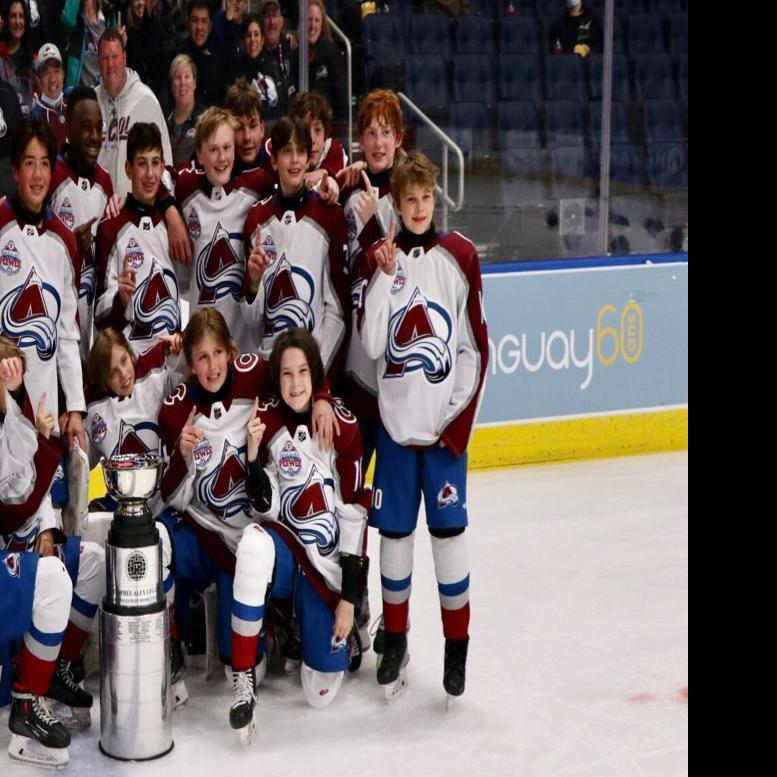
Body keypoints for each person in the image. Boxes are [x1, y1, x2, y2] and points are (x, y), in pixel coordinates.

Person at [156, 308, 338, 711]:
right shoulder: (177, 406)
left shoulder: (255, 371)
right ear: (190, 362)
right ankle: (167, 647)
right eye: (201, 357)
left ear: (231, 350)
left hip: (251, 536)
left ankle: (279, 622)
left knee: (240, 665)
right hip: (203, 530)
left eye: (218, 353)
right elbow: (167, 494)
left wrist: (322, 396)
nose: (212, 365)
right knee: (155, 545)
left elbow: (298, 365)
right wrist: (181, 458)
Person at [358, 151, 489, 701]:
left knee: (449, 543)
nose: (417, 208)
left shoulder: (459, 256)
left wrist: (453, 426)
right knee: (393, 542)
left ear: (436, 198)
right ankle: (395, 640)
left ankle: (456, 650)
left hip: (442, 439)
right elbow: (370, 346)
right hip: (394, 433)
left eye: (425, 198)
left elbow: (475, 350)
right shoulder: (381, 260)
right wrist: (385, 278)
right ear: (396, 203)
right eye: (408, 199)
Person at [229, 329, 369, 741]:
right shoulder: (268, 418)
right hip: (289, 551)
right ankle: (242, 683)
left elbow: (355, 516)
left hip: (327, 568)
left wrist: (349, 599)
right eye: (286, 373)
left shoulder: (342, 427)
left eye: (304, 372)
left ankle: (318, 625)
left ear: (316, 375)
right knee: (254, 542)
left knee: (320, 691)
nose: (295, 383)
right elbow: (264, 506)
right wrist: (253, 460)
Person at [0, 336, 106, 740]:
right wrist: (41, 442)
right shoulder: (20, 422)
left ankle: (56, 666)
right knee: (52, 578)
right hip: (9, 550)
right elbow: (11, 494)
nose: (11, 375)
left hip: (30, 541)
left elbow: (35, 491)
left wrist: (47, 526)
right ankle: (28, 696)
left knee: (93, 561)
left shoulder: (24, 411)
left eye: (14, 366)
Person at [85, 326, 189, 706]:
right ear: (102, 379)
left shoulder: (156, 383)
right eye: (112, 371)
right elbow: (85, 462)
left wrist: (178, 352)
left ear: (133, 355)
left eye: (125, 362)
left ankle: (171, 643)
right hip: (124, 518)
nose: (123, 374)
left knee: (160, 551)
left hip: (164, 508)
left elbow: (185, 377)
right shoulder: (98, 416)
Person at [0, 119, 86, 454]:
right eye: (30, 163)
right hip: (4, 400)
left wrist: (76, 407)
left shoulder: (64, 241)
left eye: (45, 164)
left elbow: (66, 334)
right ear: (16, 171)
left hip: (44, 408)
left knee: (43, 504)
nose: (38, 175)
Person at [243, 115, 349, 382]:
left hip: (311, 372)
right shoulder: (257, 217)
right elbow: (253, 322)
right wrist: (253, 284)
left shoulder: (330, 216)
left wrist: (314, 373)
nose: (294, 160)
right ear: (275, 159)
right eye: (287, 152)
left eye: (300, 152)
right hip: (269, 368)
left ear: (309, 159)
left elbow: (336, 311)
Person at [173, 106, 274, 355]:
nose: (221, 158)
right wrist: (170, 212)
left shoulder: (256, 185)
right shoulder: (186, 189)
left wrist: (327, 175)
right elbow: (157, 180)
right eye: (213, 150)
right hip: (202, 345)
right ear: (199, 154)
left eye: (227, 148)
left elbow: (292, 170)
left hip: (245, 345)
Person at [339, 88, 403, 468]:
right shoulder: (346, 191)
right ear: (360, 139)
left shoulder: (410, 195)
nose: (378, 143)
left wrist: (371, 228)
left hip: (395, 363)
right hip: (356, 362)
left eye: (386, 132)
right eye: (371, 133)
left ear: (398, 138)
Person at [94, 121, 182, 356]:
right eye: (142, 163)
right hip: (133, 375)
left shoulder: (173, 224)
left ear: (163, 165)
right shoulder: (110, 228)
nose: (150, 174)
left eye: (155, 163)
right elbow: (100, 318)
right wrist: (120, 300)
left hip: (172, 367)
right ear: (128, 168)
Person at [47, 86, 114, 364]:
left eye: (99, 127)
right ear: (69, 130)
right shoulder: (50, 175)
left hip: (90, 319)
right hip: (54, 318)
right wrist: (71, 247)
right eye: (86, 127)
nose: (95, 136)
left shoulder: (106, 182)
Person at [95, 28, 172, 195]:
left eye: (115, 57)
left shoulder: (145, 100)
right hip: (99, 211)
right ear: (98, 61)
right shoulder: (92, 103)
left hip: (135, 213)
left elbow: (165, 166)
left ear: (124, 58)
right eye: (105, 58)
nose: (110, 64)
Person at [289, 90, 347, 188]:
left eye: (318, 130)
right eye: (305, 130)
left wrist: (322, 173)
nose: (312, 140)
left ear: (325, 133)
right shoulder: (285, 154)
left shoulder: (335, 150)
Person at [175, 0, 224, 111]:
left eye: (204, 21)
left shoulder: (216, 61)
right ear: (187, 23)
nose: (199, 27)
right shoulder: (176, 57)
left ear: (210, 26)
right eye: (195, 21)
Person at [61, 0, 120, 89]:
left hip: (103, 88)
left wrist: (120, 43)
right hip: (79, 89)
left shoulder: (107, 13)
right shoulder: (76, 15)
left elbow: (115, 48)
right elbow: (67, 21)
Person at [226, 13, 278, 113]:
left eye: (256, 34)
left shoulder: (272, 66)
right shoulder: (235, 69)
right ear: (243, 40)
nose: (253, 40)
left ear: (262, 39)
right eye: (248, 35)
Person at [256, 0, 297, 123]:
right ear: (260, 22)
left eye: (274, 16)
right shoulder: (254, 53)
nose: (271, 22)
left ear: (282, 21)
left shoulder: (290, 47)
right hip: (265, 123)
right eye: (267, 17)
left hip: (289, 122)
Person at [306, 0, 346, 125]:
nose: (312, 25)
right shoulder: (296, 52)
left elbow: (341, 95)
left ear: (323, 24)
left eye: (317, 20)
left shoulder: (331, 51)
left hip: (326, 123)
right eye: (309, 19)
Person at [224, 76, 270, 177]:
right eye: (239, 128)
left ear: (262, 129)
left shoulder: (277, 162)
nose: (247, 137)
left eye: (253, 126)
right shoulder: (217, 168)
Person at [166, 53, 203, 167]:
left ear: (194, 83)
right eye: (177, 77)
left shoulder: (204, 121)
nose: (183, 83)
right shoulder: (164, 121)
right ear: (172, 85)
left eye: (187, 77)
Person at [0, 0, 35, 116]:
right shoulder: (0, 56)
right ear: (6, 20)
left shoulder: (34, 59)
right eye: (13, 16)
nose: (18, 21)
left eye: (21, 16)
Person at [31, 42, 67, 151]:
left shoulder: (74, 107)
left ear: (63, 74)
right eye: (46, 73)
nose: (52, 79)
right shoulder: (34, 117)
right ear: (38, 79)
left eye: (56, 71)